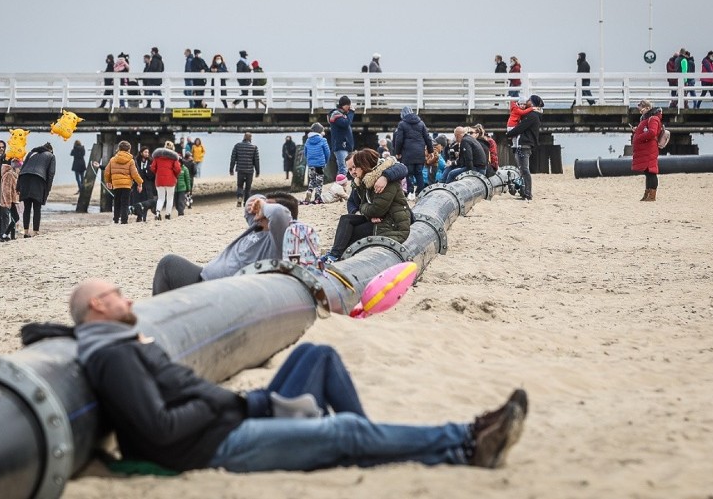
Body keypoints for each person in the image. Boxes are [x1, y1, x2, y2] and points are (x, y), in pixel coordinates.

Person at [70, 278, 528, 473]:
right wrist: (225, 402)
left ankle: (371, 444)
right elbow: (158, 429)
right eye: (117, 296)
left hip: (231, 419)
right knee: (341, 430)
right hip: (214, 446)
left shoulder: (116, 344)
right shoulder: (113, 357)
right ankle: (466, 440)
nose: (129, 300)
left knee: (318, 354)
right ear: (97, 308)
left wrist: (237, 403)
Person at [152, 194, 293, 294]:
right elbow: (249, 204)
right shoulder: (256, 227)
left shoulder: (277, 240)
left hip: (223, 292)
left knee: (168, 263)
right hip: (204, 278)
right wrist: (259, 201)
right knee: (168, 265)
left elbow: (279, 214)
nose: (259, 211)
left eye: (266, 208)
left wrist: (264, 205)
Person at [320, 149, 411, 264]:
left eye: (355, 167)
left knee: (351, 230)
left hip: (391, 224)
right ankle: (334, 254)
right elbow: (352, 202)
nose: (353, 171)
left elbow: (376, 209)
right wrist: (362, 212)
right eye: (350, 169)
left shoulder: (382, 180)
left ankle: (335, 255)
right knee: (346, 219)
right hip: (381, 219)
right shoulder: (362, 181)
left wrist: (385, 177)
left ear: (363, 164)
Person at [506, 95, 543, 202]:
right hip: (524, 144)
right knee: (522, 169)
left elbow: (520, 128)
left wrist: (509, 134)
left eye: (529, 100)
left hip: (524, 145)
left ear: (533, 103)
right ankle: (523, 191)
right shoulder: (533, 114)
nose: (527, 102)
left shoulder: (532, 115)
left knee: (524, 170)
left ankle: (527, 193)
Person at [393, 106, 434, 200]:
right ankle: (421, 192)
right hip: (419, 152)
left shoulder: (402, 124)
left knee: (408, 173)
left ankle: (410, 192)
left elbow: (399, 140)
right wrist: (431, 151)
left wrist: (397, 152)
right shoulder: (421, 123)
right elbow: (427, 137)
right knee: (419, 173)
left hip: (407, 153)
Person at [17, 142, 56, 237]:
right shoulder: (51, 156)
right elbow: (51, 174)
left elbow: (22, 169)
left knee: (27, 207)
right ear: (50, 150)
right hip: (38, 180)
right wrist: (48, 188)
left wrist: (18, 185)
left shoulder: (31, 153)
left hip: (25, 178)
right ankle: (35, 232)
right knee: (37, 208)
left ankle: (26, 232)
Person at [104, 141, 143, 225]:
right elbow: (135, 174)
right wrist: (140, 183)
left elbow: (107, 172)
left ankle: (116, 219)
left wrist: (108, 181)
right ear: (129, 149)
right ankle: (124, 220)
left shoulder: (113, 159)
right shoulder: (131, 161)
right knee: (125, 203)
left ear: (119, 148)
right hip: (126, 185)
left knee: (117, 202)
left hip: (116, 185)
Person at [631, 99, 663, 202]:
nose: (641, 112)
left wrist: (639, 136)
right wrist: (637, 130)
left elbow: (652, 132)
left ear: (648, 108)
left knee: (651, 172)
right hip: (646, 149)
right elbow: (646, 130)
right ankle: (647, 193)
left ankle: (652, 195)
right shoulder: (647, 118)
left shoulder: (653, 118)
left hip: (649, 149)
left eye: (641, 110)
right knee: (647, 172)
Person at [151, 142, 182, 221]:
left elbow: (153, 168)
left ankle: (157, 213)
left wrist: (158, 173)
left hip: (159, 180)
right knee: (170, 198)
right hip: (170, 180)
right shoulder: (174, 158)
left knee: (160, 198)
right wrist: (175, 175)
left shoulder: (157, 157)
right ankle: (168, 214)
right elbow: (178, 169)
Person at [302, 123, 330, 205]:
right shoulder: (323, 140)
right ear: (320, 131)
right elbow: (327, 152)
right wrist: (326, 161)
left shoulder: (308, 140)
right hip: (320, 164)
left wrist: (308, 161)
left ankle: (309, 191)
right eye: (322, 131)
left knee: (312, 180)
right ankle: (317, 197)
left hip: (311, 164)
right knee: (319, 181)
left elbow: (305, 152)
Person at [230, 132, 260, 207]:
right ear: (250, 138)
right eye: (251, 137)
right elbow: (256, 160)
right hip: (249, 170)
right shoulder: (254, 147)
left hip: (240, 169)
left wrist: (231, 169)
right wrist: (257, 171)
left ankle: (240, 197)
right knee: (248, 187)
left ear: (244, 137)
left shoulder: (237, 146)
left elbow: (233, 158)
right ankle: (246, 202)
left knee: (240, 185)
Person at [327, 95, 355, 176]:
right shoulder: (336, 114)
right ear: (345, 105)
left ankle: (341, 186)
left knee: (345, 168)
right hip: (340, 145)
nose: (349, 108)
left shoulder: (342, 114)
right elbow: (346, 123)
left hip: (345, 145)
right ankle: (339, 186)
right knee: (343, 168)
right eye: (348, 106)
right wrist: (351, 112)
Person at [0, 159, 21, 242]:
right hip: (9, 201)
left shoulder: (13, 174)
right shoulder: (8, 174)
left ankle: (10, 236)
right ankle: (5, 235)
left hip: (12, 200)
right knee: (15, 218)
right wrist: (8, 202)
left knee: (14, 218)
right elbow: (6, 189)